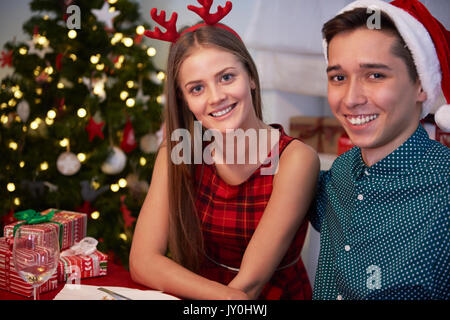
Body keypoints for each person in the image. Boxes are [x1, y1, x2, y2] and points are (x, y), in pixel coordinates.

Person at [130, 1, 319, 300]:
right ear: (184, 101)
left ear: (251, 78)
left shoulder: (295, 159)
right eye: (197, 88)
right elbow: (142, 262)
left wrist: (231, 299)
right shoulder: (178, 153)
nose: (216, 97)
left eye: (226, 77)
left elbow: (249, 286)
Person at [309, 0, 450, 300]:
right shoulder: (341, 171)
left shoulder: (445, 189)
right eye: (338, 77)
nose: (350, 99)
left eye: (375, 75)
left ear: (420, 86)